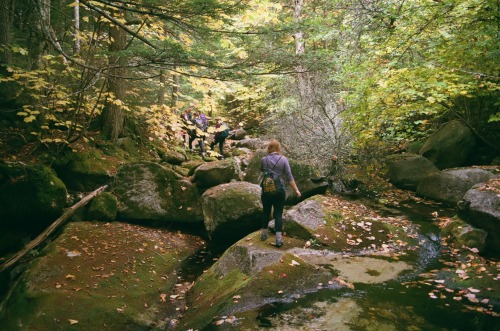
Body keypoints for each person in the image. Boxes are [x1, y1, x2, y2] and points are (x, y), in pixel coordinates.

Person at [260, 140, 301, 247]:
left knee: (266, 211)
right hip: (279, 190)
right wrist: (296, 190)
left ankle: (264, 235)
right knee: (278, 214)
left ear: (268, 148)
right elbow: (289, 176)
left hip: (266, 190)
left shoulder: (263, 159)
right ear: (278, 149)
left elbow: (262, 170)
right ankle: (278, 240)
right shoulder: (283, 160)